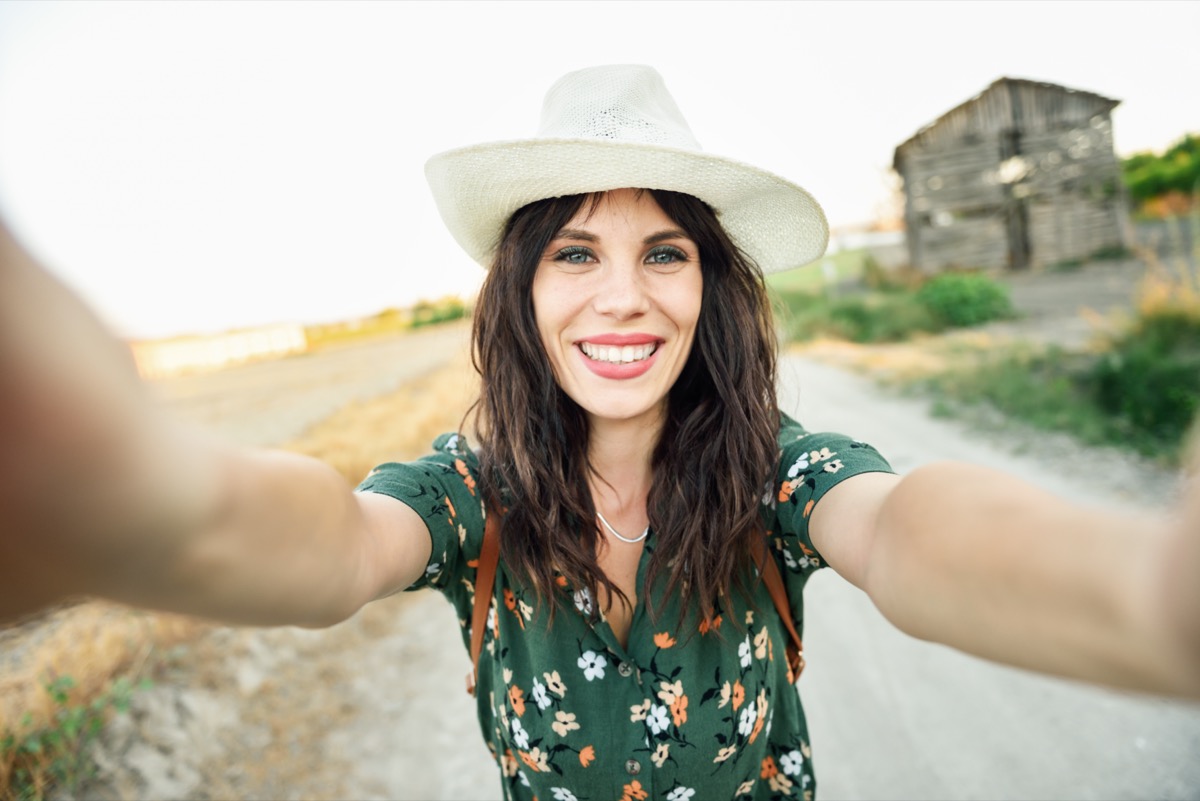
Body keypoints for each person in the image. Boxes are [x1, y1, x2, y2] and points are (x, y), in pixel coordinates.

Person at [1, 64, 1197, 801]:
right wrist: (150, 510)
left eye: (662, 252)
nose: (621, 295)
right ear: (521, 292)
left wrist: (1144, 594)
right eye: (575, 252)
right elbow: (327, 547)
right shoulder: (463, 493)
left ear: (708, 289)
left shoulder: (780, 469)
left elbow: (912, 536)